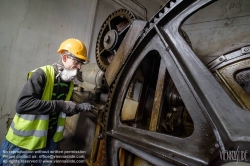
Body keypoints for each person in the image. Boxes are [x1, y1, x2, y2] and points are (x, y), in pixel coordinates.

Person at [0, 38, 94, 166]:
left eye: (81, 63)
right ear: (65, 57)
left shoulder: (69, 85)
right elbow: (22, 105)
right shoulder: (42, 74)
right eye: (77, 61)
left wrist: (77, 108)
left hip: (49, 141)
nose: (79, 67)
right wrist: (62, 104)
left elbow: (62, 111)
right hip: (24, 142)